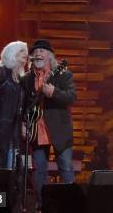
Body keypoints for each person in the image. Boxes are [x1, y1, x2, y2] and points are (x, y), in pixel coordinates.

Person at [23, 39, 76, 209]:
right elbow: (22, 104)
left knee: (66, 168)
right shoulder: (26, 79)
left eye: (42, 51)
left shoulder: (63, 75)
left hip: (59, 129)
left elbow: (71, 97)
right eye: (35, 52)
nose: (37, 54)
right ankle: (43, 205)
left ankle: (69, 206)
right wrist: (22, 124)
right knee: (38, 171)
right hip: (36, 130)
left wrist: (54, 92)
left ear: (50, 56)